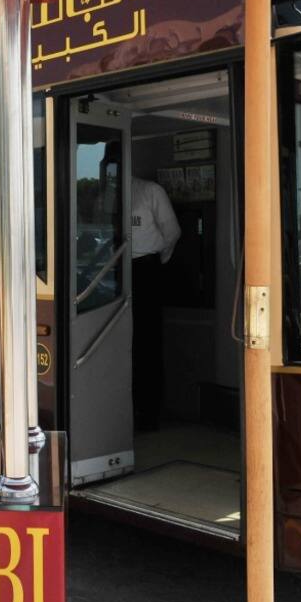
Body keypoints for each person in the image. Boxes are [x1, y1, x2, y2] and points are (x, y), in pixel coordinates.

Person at [131, 176, 181, 430]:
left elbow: (172, 232)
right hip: (115, 269)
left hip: (146, 268)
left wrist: (157, 263)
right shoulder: (104, 191)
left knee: (147, 341)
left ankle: (149, 412)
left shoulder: (151, 190)